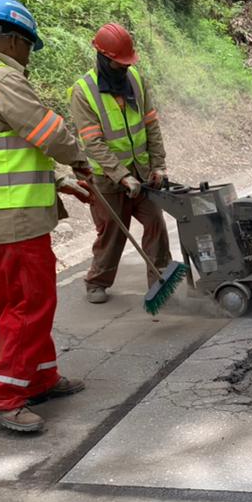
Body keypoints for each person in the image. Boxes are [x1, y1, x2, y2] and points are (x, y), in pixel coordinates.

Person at [0, 0, 93, 433]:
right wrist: (79, 160)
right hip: (12, 219)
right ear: (12, 40)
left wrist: (58, 183)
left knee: (17, 304)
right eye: (29, 46)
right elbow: (45, 129)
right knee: (30, 303)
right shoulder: (1, 78)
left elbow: (5, 155)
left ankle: (39, 376)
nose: (30, 56)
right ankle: (3, 396)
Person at [68, 23, 172, 304]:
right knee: (112, 234)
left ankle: (160, 278)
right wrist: (121, 175)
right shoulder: (83, 92)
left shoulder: (136, 80)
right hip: (107, 179)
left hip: (142, 172)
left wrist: (158, 165)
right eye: (118, 64)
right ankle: (96, 282)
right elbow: (93, 143)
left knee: (155, 224)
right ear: (103, 58)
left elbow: (151, 126)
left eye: (127, 63)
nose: (124, 69)